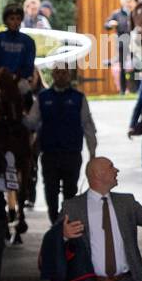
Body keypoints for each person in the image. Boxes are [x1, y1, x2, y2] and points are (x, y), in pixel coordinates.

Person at [25, 64, 97, 224]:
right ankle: (55, 223)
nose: (61, 76)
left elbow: (88, 126)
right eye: (57, 73)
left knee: (70, 191)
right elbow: (31, 122)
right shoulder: (43, 98)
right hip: (49, 154)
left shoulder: (78, 98)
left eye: (64, 73)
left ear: (69, 75)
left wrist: (92, 153)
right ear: (53, 75)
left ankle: (67, 223)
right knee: (50, 191)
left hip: (71, 154)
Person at [0, 3, 40, 93]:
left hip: (19, 80)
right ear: (6, 20)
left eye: (18, 19)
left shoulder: (28, 41)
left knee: (28, 97)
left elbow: (29, 64)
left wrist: (19, 76)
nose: (15, 22)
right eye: (12, 19)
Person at [104, 0, 136, 94]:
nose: (129, 3)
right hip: (123, 43)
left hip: (136, 43)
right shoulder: (117, 14)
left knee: (137, 65)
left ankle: (135, 89)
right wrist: (110, 24)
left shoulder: (136, 12)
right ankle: (122, 90)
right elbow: (106, 25)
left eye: (131, 1)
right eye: (127, 1)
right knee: (122, 67)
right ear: (122, 2)